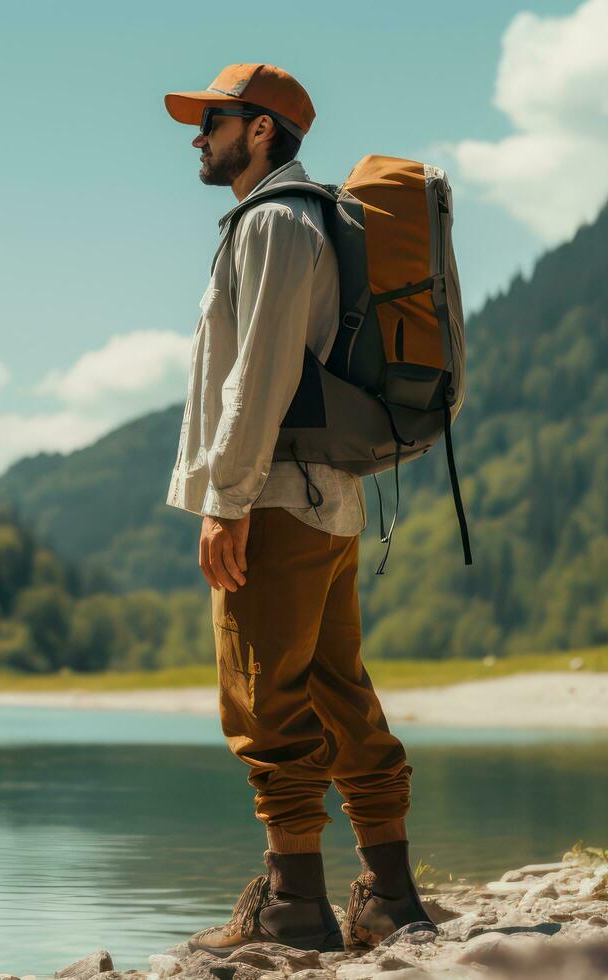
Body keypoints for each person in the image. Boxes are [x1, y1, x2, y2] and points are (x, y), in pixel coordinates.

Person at [161, 62, 433, 953]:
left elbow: (263, 369)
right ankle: (389, 898)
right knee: (335, 692)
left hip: (275, 496)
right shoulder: (292, 219)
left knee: (263, 702)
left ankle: (293, 911)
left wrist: (224, 501)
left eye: (214, 120)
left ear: (262, 131)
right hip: (322, 495)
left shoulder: (274, 222)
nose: (199, 136)